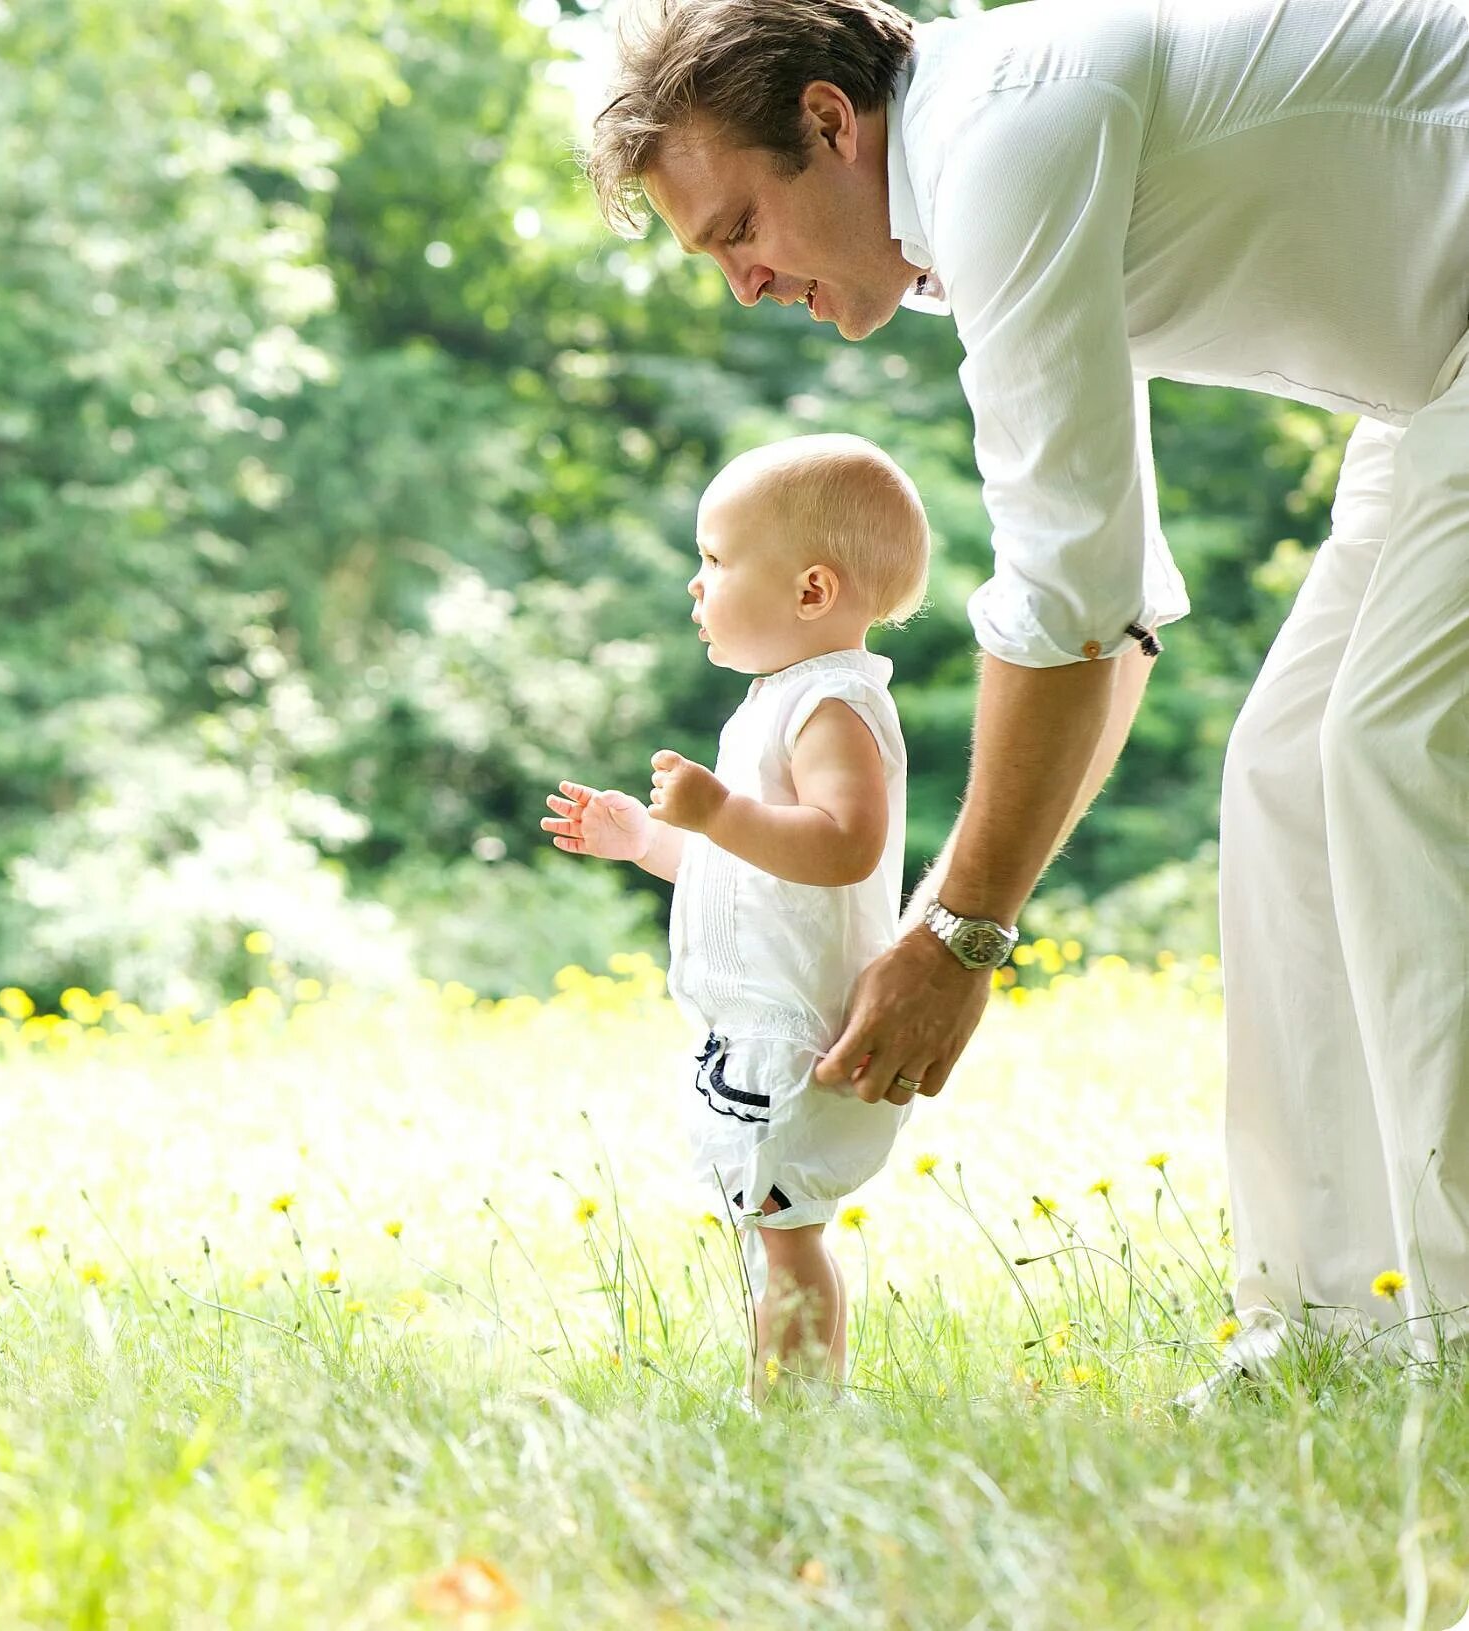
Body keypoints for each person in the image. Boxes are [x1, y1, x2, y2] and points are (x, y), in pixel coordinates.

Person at [584, 0, 1469, 1380]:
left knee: (1389, 750)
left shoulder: (1003, 136)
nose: (742, 284)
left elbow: (1065, 600)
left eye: (739, 228)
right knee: (1283, 773)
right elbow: (1107, 618)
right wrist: (961, 928)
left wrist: (957, 937)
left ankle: (1458, 1325)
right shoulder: (974, 184)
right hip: (1427, 385)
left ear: (828, 122)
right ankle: (1332, 1323)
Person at [542, 433, 929, 1400]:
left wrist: (717, 810)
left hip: (796, 1033)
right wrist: (647, 842)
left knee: (785, 1230)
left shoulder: (831, 706)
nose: (694, 584)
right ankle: (783, 1395)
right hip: (745, 1028)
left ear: (809, 591)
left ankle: (792, 1412)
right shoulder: (773, 703)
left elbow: (844, 843)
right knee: (768, 1227)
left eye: (714, 561)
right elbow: (746, 872)